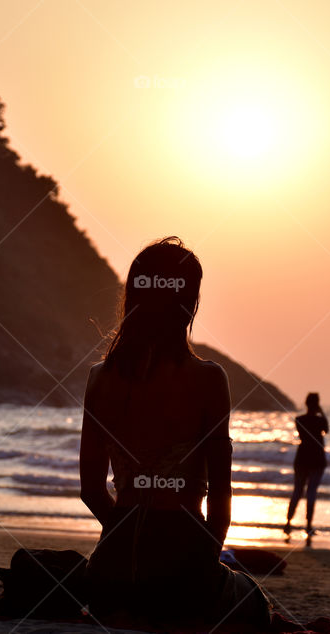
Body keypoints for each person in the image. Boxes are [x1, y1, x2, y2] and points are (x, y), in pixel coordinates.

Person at [79, 237, 271, 628]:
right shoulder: (207, 378)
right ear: (189, 303)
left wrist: (124, 535)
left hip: (108, 573)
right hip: (182, 561)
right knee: (255, 603)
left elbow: (92, 490)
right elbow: (220, 492)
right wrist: (203, 556)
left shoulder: (100, 378)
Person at [284, 392, 329, 536]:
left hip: (302, 457)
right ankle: (308, 525)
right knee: (311, 492)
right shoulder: (319, 420)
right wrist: (321, 412)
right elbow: (326, 430)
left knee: (297, 491)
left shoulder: (299, 420)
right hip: (316, 458)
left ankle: (288, 522)